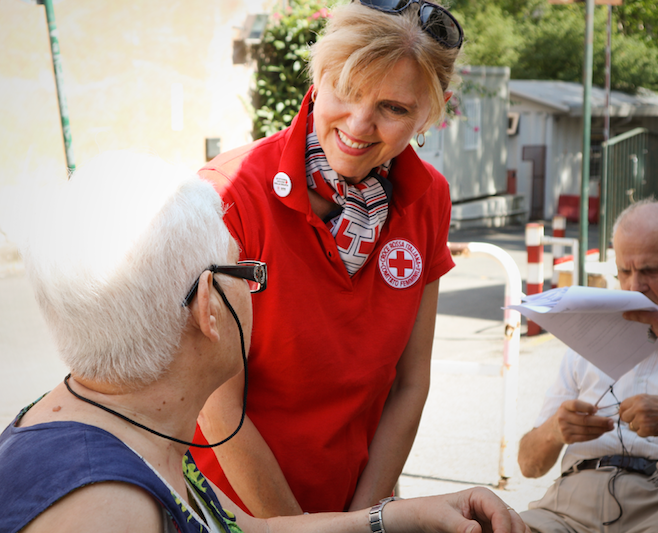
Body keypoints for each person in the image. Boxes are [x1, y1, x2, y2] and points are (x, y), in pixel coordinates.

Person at [0, 151, 528, 533]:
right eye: (244, 270)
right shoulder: (106, 508)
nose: (256, 284)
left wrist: (406, 516)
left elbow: (247, 529)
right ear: (208, 308)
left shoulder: (118, 427)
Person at [192, 0, 463, 516]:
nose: (359, 125)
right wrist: (301, 530)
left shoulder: (430, 199)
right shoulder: (227, 195)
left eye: (395, 108)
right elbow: (214, 403)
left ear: (431, 111)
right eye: (347, 90)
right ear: (319, 76)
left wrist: (363, 522)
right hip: (228, 511)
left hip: (355, 503)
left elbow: (411, 383)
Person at [517, 199, 658, 532]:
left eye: (651, 270)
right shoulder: (589, 340)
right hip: (570, 502)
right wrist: (554, 431)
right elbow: (528, 465)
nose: (635, 287)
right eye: (625, 271)